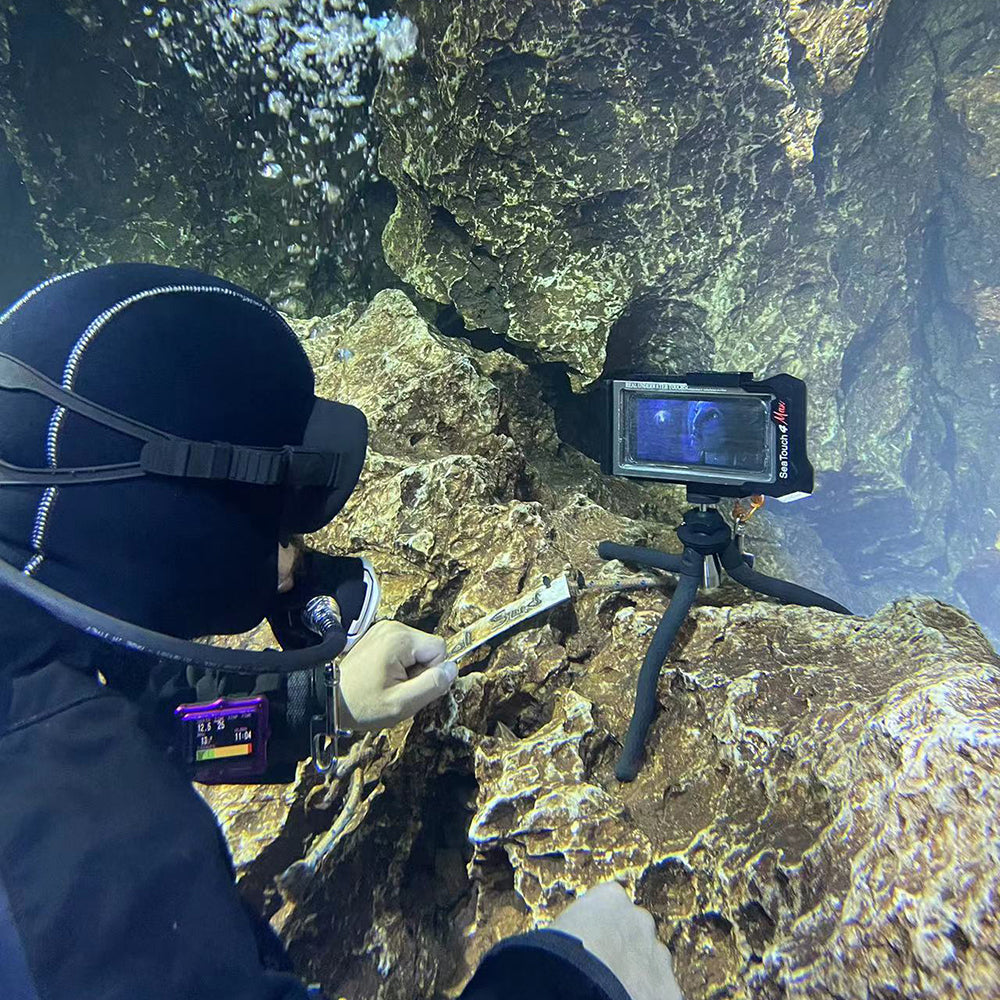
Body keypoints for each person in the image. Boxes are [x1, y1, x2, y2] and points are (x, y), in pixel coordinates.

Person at [0, 264, 680, 1000]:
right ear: (178, 541)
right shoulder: (90, 843)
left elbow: (151, 721)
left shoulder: (39, 628)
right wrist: (573, 984)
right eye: (281, 520)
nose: (295, 550)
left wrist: (321, 705)